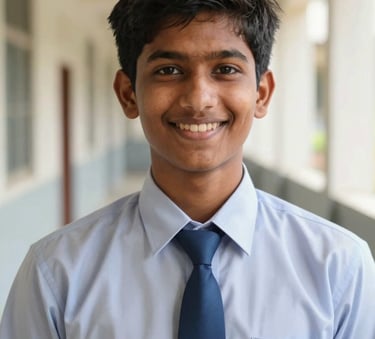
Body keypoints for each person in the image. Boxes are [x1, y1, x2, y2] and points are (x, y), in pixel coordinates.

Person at [1, 0, 375, 338]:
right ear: (128, 94)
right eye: (168, 70)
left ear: (261, 93)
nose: (199, 99)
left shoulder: (338, 268)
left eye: (225, 69)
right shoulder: (56, 274)